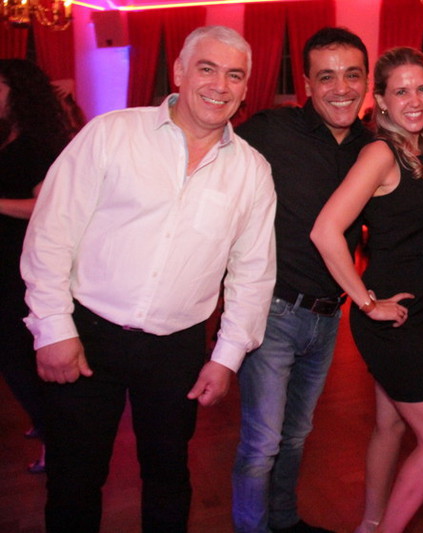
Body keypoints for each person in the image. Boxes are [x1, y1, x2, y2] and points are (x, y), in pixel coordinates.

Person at [20, 25, 277, 533]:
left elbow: (253, 274)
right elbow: (51, 231)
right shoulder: (111, 134)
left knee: (168, 478)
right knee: (73, 480)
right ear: (179, 72)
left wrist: (226, 357)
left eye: (234, 75)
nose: (219, 85)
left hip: (176, 350)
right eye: (207, 68)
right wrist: (52, 327)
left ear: (247, 87)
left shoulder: (252, 171)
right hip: (87, 336)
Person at [312, 47, 423, 533]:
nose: (413, 100)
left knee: (391, 425)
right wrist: (367, 303)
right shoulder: (381, 153)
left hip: (411, 315)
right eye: (400, 91)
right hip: (390, 321)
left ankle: (371, 523)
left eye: (422, 88)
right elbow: (325, 231)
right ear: (380, 100)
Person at [231, 27, 372, 533]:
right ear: (308, 85)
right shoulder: (272, 130)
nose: (341, 88)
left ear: (366, 82)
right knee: (261, 442)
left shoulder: (372, 148)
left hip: (328, 316)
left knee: (295, 435)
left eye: (352, 75)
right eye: (326, 77)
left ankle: (285, 522)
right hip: (272, 312)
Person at [0, 59, 72, 474]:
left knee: (17, 355)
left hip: (22, 262)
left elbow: (44, 208)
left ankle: (54, 437)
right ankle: (45, 423)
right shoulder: (8, 135)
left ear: (19, 92)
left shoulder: (39, 144)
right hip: (7, 257)